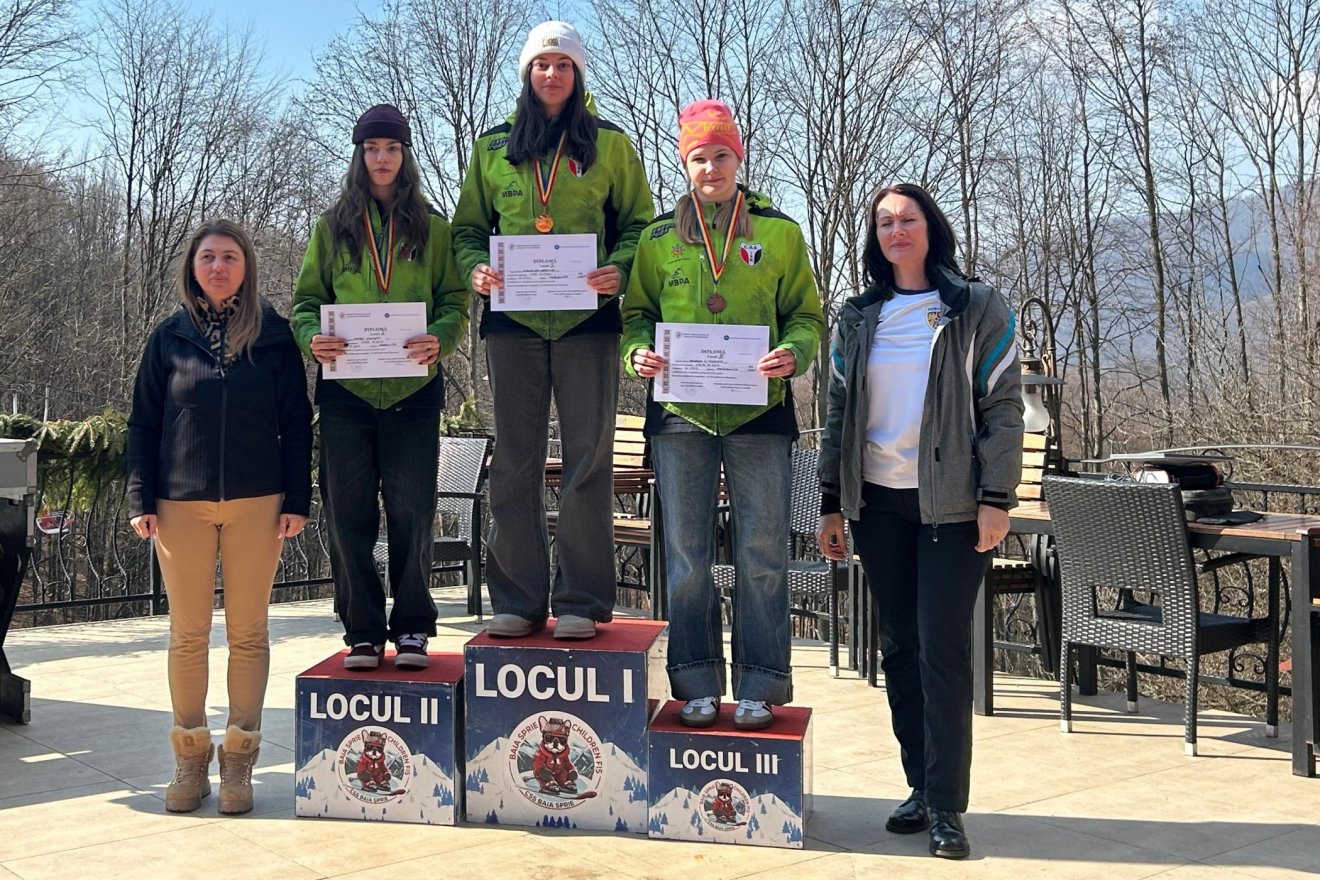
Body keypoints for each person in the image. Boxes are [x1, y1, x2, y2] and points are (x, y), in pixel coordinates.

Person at [816, 183, 1023, 859]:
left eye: (907, 219)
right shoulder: (858, 315)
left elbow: (1003, 407)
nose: (896, 230)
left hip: (953, 508)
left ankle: (947, 806)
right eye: (884, 222)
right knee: (900, 649)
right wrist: (830, 501)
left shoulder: (975, 305)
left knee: (941, 649)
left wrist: (997, 497)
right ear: (874, 237)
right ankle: (920, 787)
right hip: (878, 505)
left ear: (931, 227)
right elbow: (837, 414)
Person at [621, 99, 825, 730]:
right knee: (687, 557)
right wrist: (637, 354)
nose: (711, 168)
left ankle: (762, 683)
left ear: (739, 158)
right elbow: (636, 315)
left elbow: (806, 316)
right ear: (685, 165)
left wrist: (795, 353)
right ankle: (695, 682)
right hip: (681, 415)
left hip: (758, 414)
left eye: (721, 156)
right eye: (699, 158)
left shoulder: (780, 233)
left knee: (762, 553)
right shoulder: (657, 239)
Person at [452, 21, 653, 641]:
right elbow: (467, 231)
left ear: (578, 73)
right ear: (527, 73)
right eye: (542, 64)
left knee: (588, 459)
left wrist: (620, 270)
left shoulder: (611, 145)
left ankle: (582, 601)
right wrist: (475, 270)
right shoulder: (492, 148)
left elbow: (640, 225)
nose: (552, 73)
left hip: (587, 323)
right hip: (511, 323)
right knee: (516, 458)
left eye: (564, 64)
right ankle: (517, 599)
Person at [126, 220, 313, 815]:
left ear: (246, 267)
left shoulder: (275, 336)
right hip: (179, 503)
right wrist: (141, 497)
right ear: (193, 267)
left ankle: (238, 761)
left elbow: (297, 422)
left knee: (248, 632)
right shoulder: (169, 338)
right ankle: (190, 758)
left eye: (230, 257)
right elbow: (143, 422)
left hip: (258, 503)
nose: (218, 267)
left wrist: (297, 497)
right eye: (208, 257)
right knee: (187, 633)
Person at [292, 104, 469, 670]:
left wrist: (442, 336)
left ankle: (413, 625)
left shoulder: (433, 227)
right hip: (347, 393)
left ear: (405, 155)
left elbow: (455, 300)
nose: (382, 158)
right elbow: (306, 303)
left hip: (413, 391)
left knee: (413, 510)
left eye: (392, 148)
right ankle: (363, 630)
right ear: (359, 155)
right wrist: (311, 338)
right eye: (372, 149)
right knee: (347, 512)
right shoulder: (332, 227)